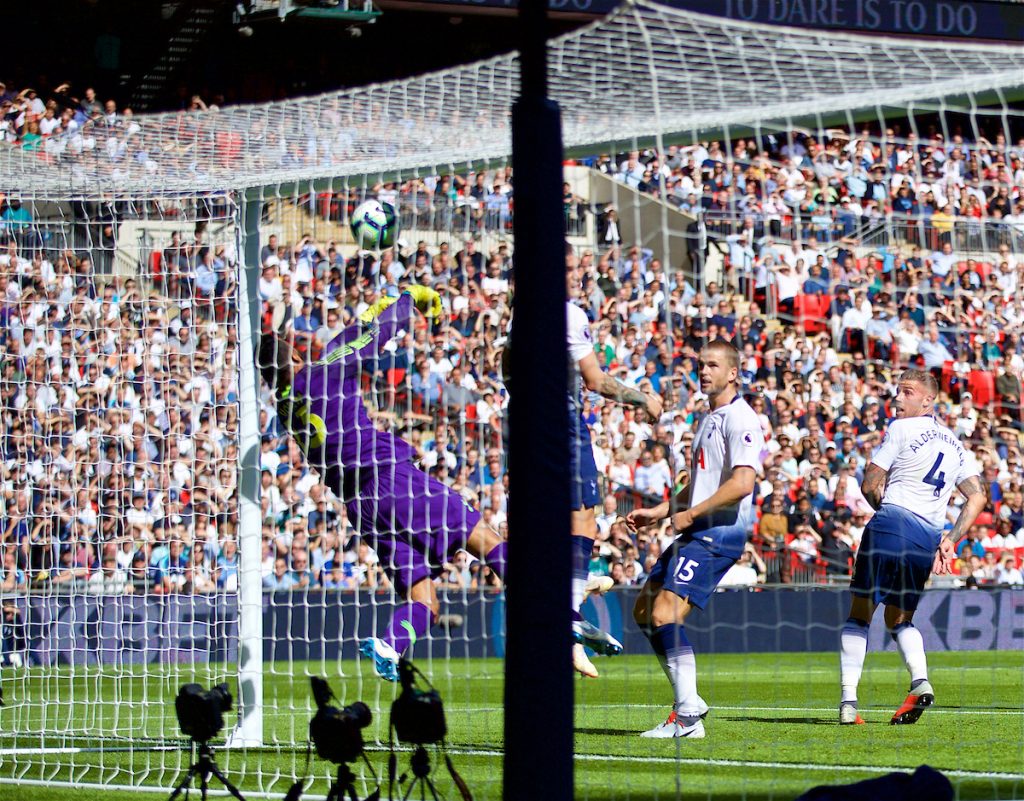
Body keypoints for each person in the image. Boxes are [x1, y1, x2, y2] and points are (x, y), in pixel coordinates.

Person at [261, 285, 509, 682]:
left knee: (424, 599)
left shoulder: (287, 405)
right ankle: (551, 613)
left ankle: (390, 644)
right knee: (482, 536)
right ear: (293, 355)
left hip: (362, 508)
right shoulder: (324, 370)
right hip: (391, 481)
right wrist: (411, 299)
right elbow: (374, 332)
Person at [506, 244, 663, 678]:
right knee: (583, 521)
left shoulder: (520, 314)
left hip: (528, 426)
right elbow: (595, 381)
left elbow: (507, 371)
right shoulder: (568, 314)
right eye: (570, 268)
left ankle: (570, 597)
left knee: (556, 523)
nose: (576, 275)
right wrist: (642, 399)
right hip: (561, 424)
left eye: (577, 267)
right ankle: (570, 615)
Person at [626, 339, 765, 738]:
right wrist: (658, 513)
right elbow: (701, 486)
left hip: (717, 534)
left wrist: (689, 515)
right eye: (701, 365)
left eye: (712, 365)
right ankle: (689, 703)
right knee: (644, 611)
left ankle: (687, 716)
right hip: (697, 528)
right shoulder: (709, 417)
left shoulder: (742, 419)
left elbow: (741, 484)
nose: (704, 371)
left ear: (733, 372)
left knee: (664, 614)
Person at [838, 369, 986, 726]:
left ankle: (848, 703)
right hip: (926, 539)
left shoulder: (900, 429)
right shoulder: (956, 445)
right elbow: (978, 496)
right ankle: (920, 681)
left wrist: (887, 514)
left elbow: (871, 483)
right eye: (897, 392)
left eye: (906, 392)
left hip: (891, 524)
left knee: (861, 613)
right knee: (900, 617)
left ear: (927, 400)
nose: (897, 399)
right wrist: (950, 540)